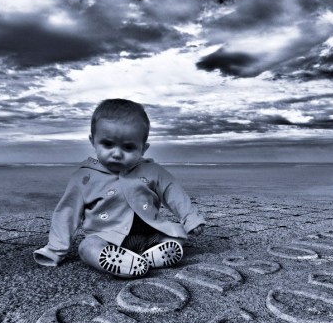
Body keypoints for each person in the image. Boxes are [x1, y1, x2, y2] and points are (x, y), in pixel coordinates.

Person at [33, 99, 205, 278]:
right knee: (87, 247)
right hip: (106, 238)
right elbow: (67, 212)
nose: (117, 153)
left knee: (177, 234)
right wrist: (55, 249)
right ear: (93, 141)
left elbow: (173, 191)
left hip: (150, 235)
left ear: (143, 148)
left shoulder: (152, 171)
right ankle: (122, 264)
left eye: (128, 147)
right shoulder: (84, 177)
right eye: (108, 144)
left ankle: (153, 255)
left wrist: (190, 218)